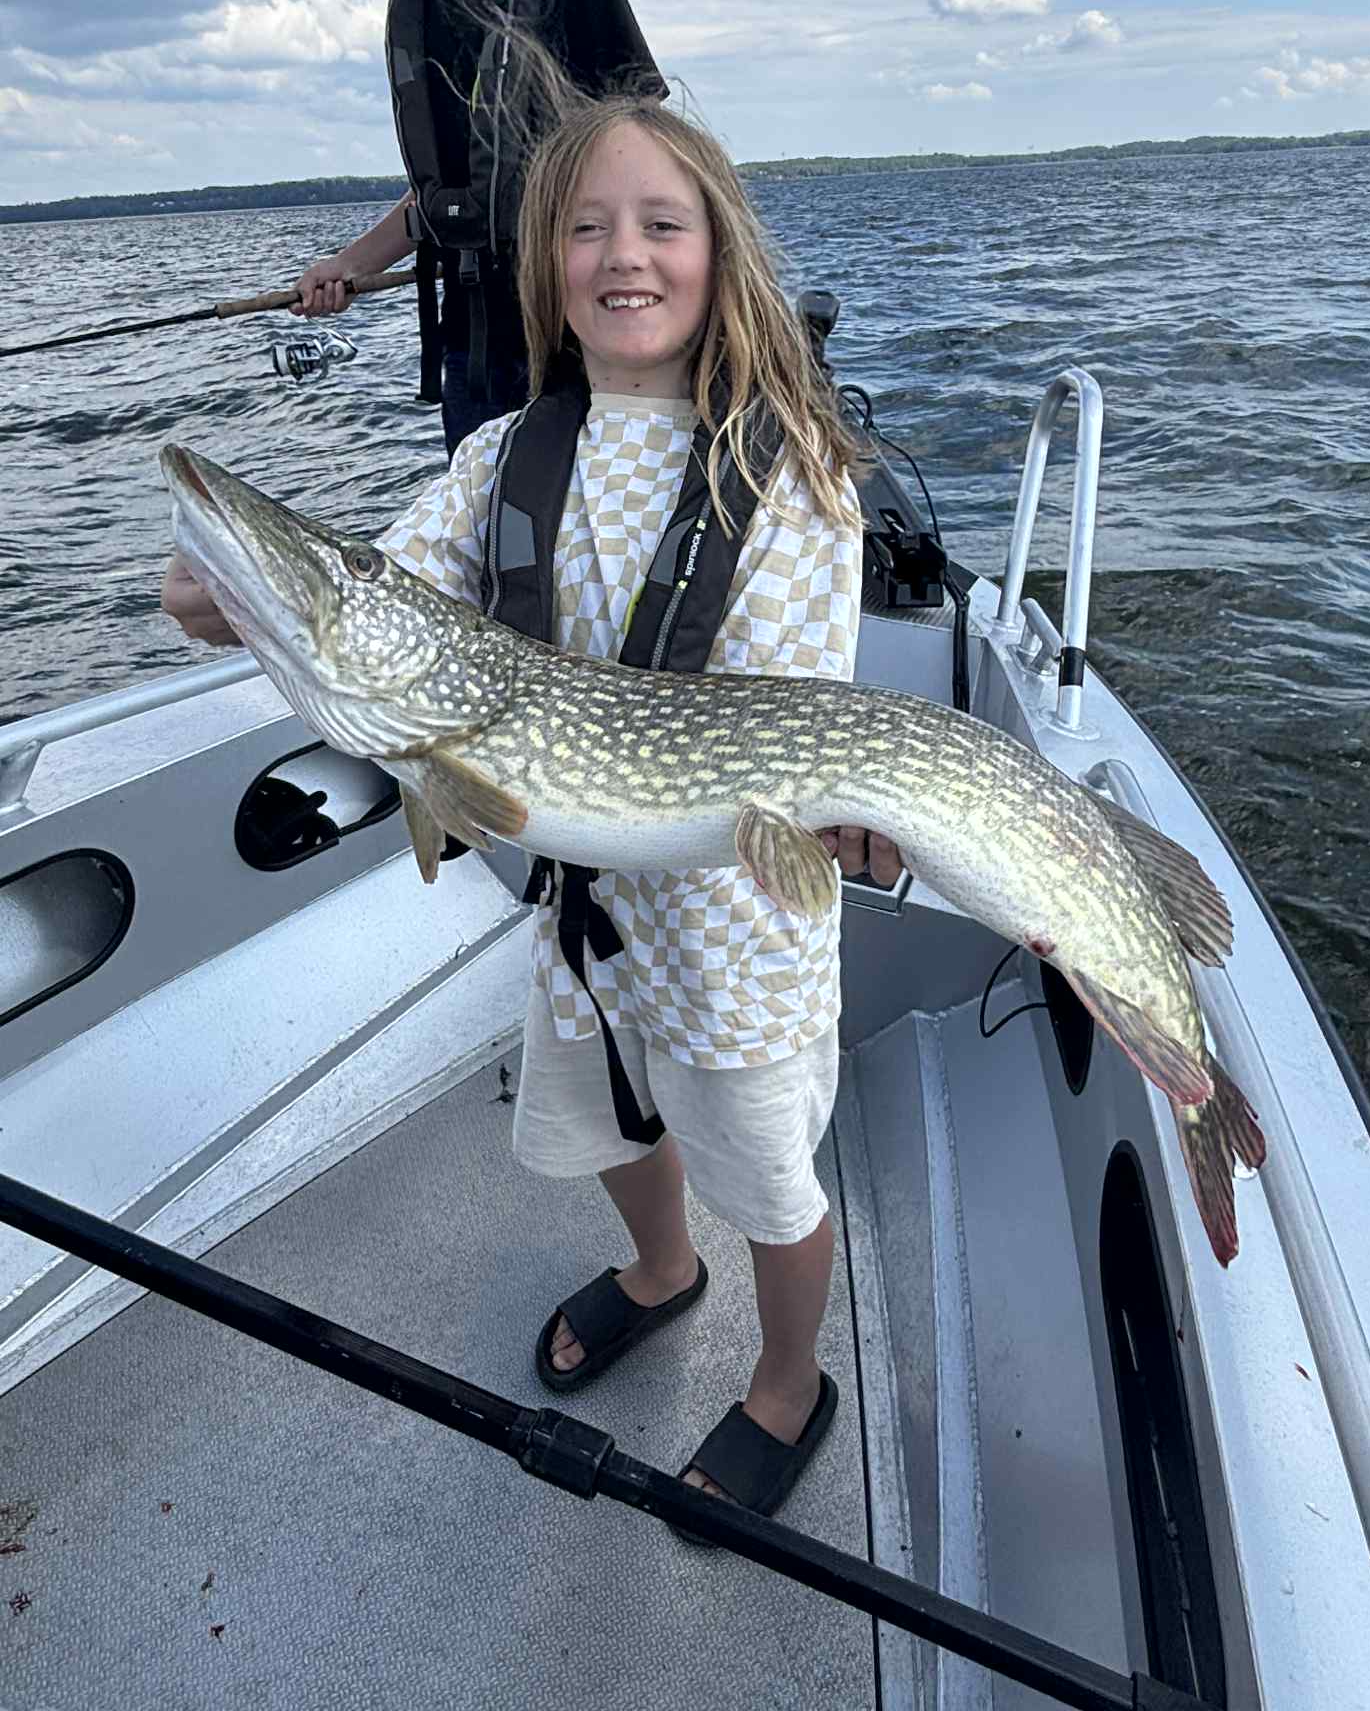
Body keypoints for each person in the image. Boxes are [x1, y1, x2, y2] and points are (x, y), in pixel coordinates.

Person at [163, 75, 903, 1531]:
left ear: (719, 253)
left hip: (738, 937)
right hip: (583, 917)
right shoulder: (502, 454)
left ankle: (788, 1382)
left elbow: (784, 717)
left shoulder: (795, 474)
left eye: (661, 223)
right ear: (545, 270)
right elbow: (383, 604)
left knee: (768, 1176)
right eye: (584, 228)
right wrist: (233, 597)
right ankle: (657, 1271)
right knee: (609, 1123)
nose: (622, 254)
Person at [296, 0, 665, 456]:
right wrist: (347, 267)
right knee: (493, 554)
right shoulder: (412, 4)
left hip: (584, 341)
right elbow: (449, 199)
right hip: (472, 352)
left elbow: (660, 166)